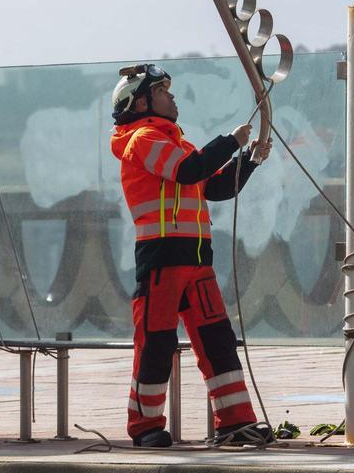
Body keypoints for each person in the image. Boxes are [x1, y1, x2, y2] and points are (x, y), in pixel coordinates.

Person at [109, 63, 274, 448]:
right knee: (155, 345)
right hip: (162, 262)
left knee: (217, 340)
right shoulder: (143, 140)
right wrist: (230, 142)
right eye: (164, 92)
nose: (172, 96)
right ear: (141, 102)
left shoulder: (173, 142)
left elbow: (213, 188)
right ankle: (145, 427)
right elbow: (189, 171)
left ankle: (235, 423)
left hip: (196, 261)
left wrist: (248, 161)